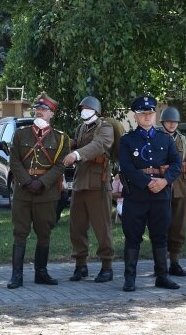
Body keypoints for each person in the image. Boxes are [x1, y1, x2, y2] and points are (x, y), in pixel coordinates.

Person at [119, 94, 182, 291]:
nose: (147, 116)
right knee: (133, 236)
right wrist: (147, 183)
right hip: (136, 195)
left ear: (155, 115)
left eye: (150, 113)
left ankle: (162, 276)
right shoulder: (127, 141)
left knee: (160, 236)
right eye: (142, 113)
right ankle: (130, 278)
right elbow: (127, 167)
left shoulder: (166, 139)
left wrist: (164, 181)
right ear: (135, 116)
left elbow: (176, 163)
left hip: (160, 195)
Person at [7, 93, 70, 289]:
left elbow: (60, 166)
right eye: (38, 109)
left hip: (46, 192)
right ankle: (17, 276)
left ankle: (41, 273)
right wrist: (27, 181)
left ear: (52, 114)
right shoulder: (21, 134)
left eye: (45, 110)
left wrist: (42, 182)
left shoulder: (61, 139)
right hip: (23, 192)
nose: (40, 112)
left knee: (44, 233)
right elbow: (14, 161)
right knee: (20, 232)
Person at [62, 96, 115, 283]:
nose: (83, 110)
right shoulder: (81, 128)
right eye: (81, 108)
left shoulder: (105, 127)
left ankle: (107, 266)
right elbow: (78, 142)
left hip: (97, 184)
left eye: (87, 108)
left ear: (96, 110)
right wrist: (69, 144)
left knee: (102, 228)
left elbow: (99, 145)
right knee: (76, 226)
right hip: (80, 183)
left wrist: (76, 154)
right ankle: (80, 265)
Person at [159, 106, 186, 276]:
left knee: (178, 227)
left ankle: (174, 262)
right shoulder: (155, 139)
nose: (172, 124)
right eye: (169, 121)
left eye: (175, 121)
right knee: (160, 227)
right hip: (160, 189)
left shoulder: (185, 141)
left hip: (180, 189)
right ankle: (159, 263)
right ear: (163, 122)